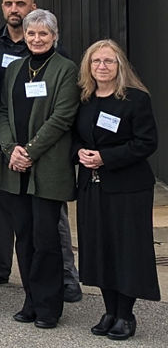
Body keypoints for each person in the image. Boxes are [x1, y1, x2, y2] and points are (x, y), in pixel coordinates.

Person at [0, 0, 81, 300]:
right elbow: (1, 107)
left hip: (46, 161)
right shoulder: (3, 56)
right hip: (9, 156)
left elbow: (63, 116)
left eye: (20, 4)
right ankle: (15, 283)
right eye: (8, 3)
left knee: (50, 230)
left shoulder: (63, 64)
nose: (36, 38)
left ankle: (60, 286)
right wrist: (11, 148)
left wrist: (29, 151)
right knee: (16, 225)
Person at [74, 40, 159, 340]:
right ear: (89, 66)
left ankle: (125, 314)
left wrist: (105, 158)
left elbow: (146, 143)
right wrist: (80, 154)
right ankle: (109, 311)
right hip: (92, 187)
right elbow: (74, 138)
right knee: (99, 249)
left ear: (119, 65)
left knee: (126, 251)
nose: (102, 67)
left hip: (128, 189)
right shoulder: (84, 99)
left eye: (109, 61)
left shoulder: (135, 99)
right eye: (96, 61)